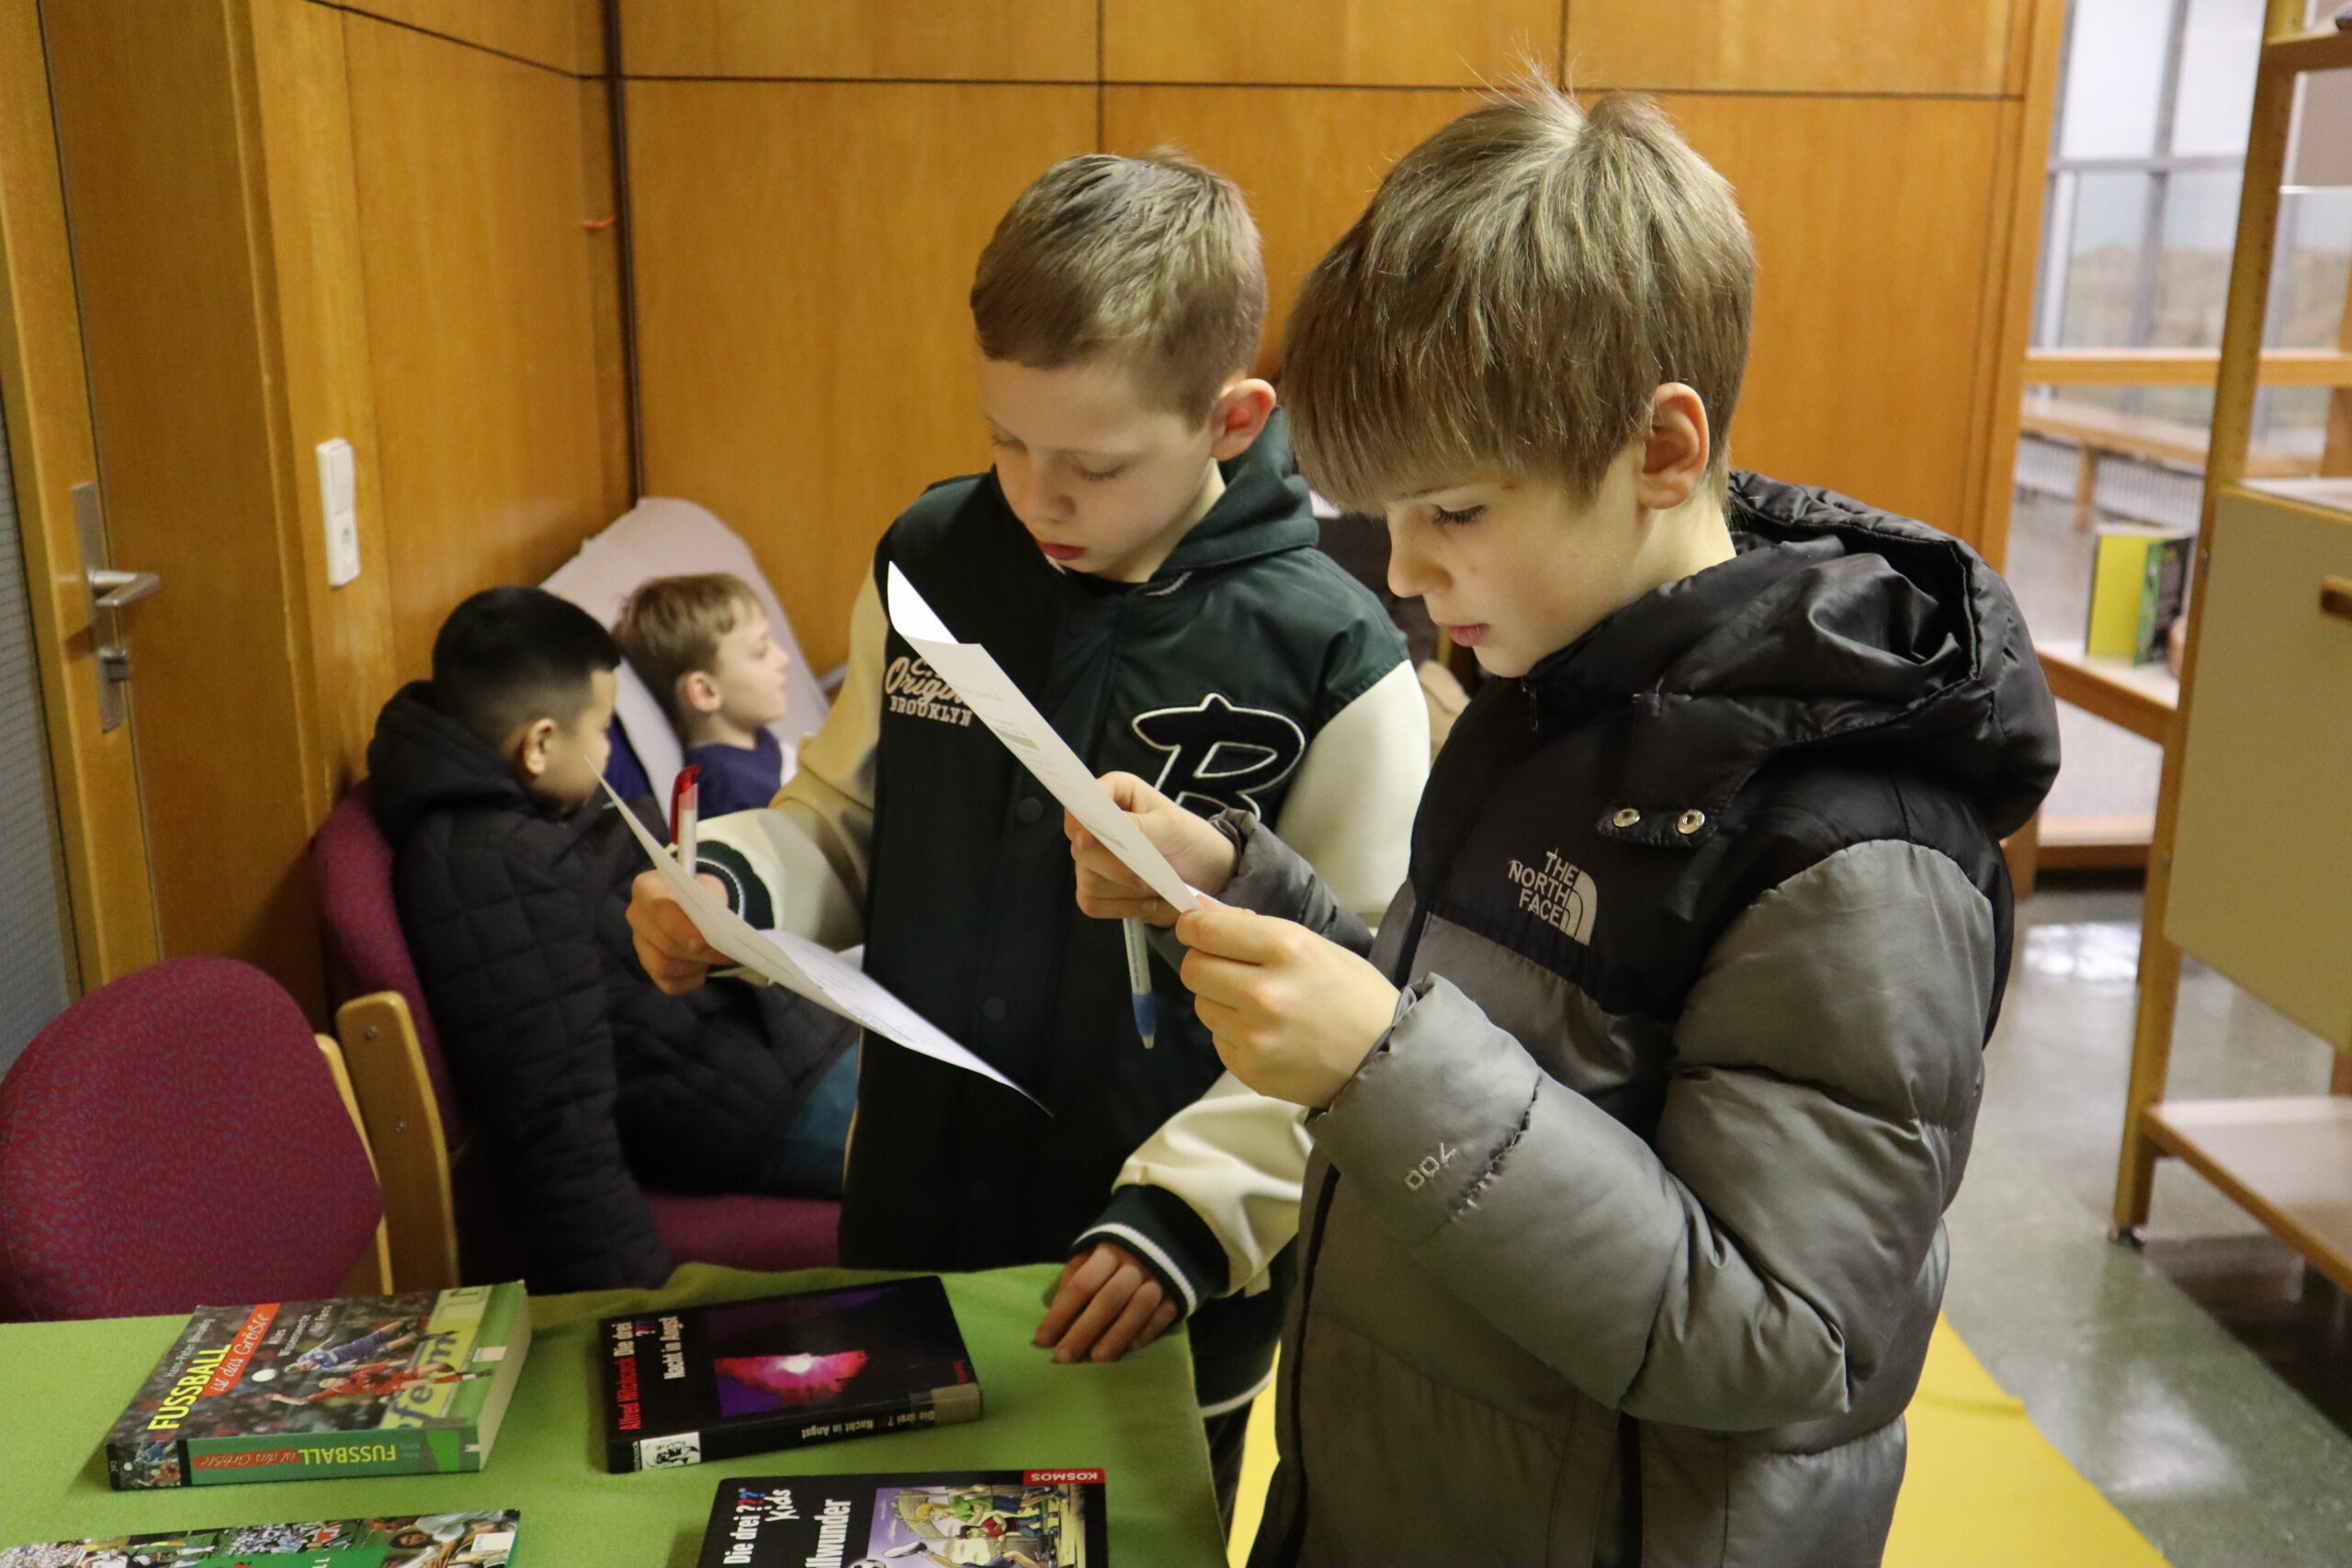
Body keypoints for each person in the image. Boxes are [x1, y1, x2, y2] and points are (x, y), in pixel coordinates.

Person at [1064, 86, 2061, 1566]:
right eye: (1386, 518)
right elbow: (1503, 1032)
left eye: (1454, 514)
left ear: (1662, 449)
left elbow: (1785, 1336)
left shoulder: (1857, 850)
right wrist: (1248, 896)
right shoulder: (1553, 681)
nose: (1406, 572)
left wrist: (1378, 1066)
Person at [627, 150, 1430, 1515]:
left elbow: (1363, 1003)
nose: (1035, 496)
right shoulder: (931, 560)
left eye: (1094, 464)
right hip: (915, 1218)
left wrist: (1194, 1209)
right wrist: (732, 887)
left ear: (1232, 419)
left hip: (1157, 1267)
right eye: (1005, 439)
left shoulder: (1335, 652)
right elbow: (845, 818)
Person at [368, 587, 858, 1292]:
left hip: (791, 1042)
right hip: (765, 1104)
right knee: (997, 1155)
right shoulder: (488, 871)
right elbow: (556, 1119)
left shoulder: (529, 809)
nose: (606, 755)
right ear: (539, 744)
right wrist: (638, 1309)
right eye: (602, 731)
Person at [613, 571, 795, 816]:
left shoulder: (752, 738)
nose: (784, 659)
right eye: (761, 650)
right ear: (706, 692)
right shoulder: (727, 790)